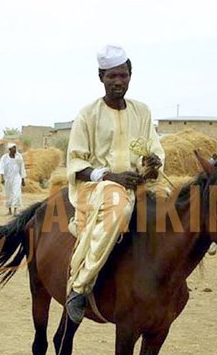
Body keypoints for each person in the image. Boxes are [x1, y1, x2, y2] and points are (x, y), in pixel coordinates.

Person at [64, 44, 164, 323]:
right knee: (117, 204)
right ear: (101, 77)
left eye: (123, 75)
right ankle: (80, 286)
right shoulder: (87, 114)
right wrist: (109, 177)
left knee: (172, 205)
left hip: (137, 183)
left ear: (131, 76)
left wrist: (152, 165)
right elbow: (76, 165)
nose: (118, 81)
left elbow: (153, 151)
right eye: (112, 76)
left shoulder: (142, 112)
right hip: (97, 187)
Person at [0, 142, 26, 215]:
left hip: (17, 177)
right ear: (10, 149)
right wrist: (2, 178)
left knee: (17, 193)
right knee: (8, 193)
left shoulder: (19, 157)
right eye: (13, 148)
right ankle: (9, 210)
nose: (15, 149)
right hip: (7, 178)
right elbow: (1, 167)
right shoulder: (4, 157)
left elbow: (22, 168)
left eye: (15, 147)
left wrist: (23, 179)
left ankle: (15, 210)